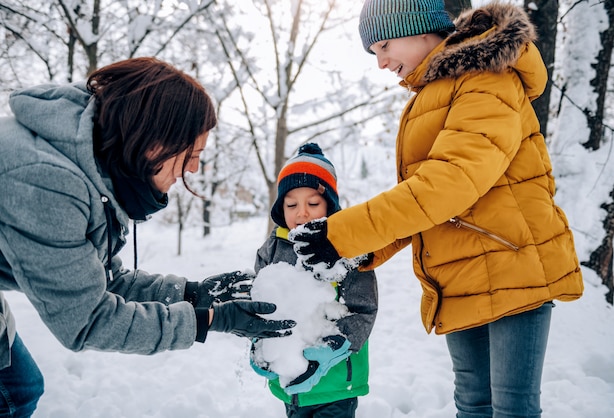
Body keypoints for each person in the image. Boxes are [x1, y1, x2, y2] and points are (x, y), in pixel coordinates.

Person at [289, 2, 584, 417]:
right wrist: (358, 249)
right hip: (460, 274)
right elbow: (422, 200)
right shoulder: (435, 92)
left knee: (512, 407)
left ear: (422, 27)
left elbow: (451, 182)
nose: (381, 63)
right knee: (472, 404)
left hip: (513, 266)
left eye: (385, 46)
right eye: (374, 54)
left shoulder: (486, 77)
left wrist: (341, 233)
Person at [0, 57, 295, 417]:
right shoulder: (45, 180)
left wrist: (192, 293)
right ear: (155, 143)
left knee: (19, 389)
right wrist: (210, 320)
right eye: (192, 154)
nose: (194, 169)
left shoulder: (88, 162)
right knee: (13, 397)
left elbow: (104, 280)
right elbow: (87, 319)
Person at [250, 143, 378, 418]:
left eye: (313, 203)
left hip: (335, 384)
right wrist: (259, 343)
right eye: (292, 204)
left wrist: (331, 346)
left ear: (329, 206)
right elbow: (259, 301)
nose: (302, 213)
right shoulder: (271, 249)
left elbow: (363, 308)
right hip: (290, 383)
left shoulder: (346, 247)